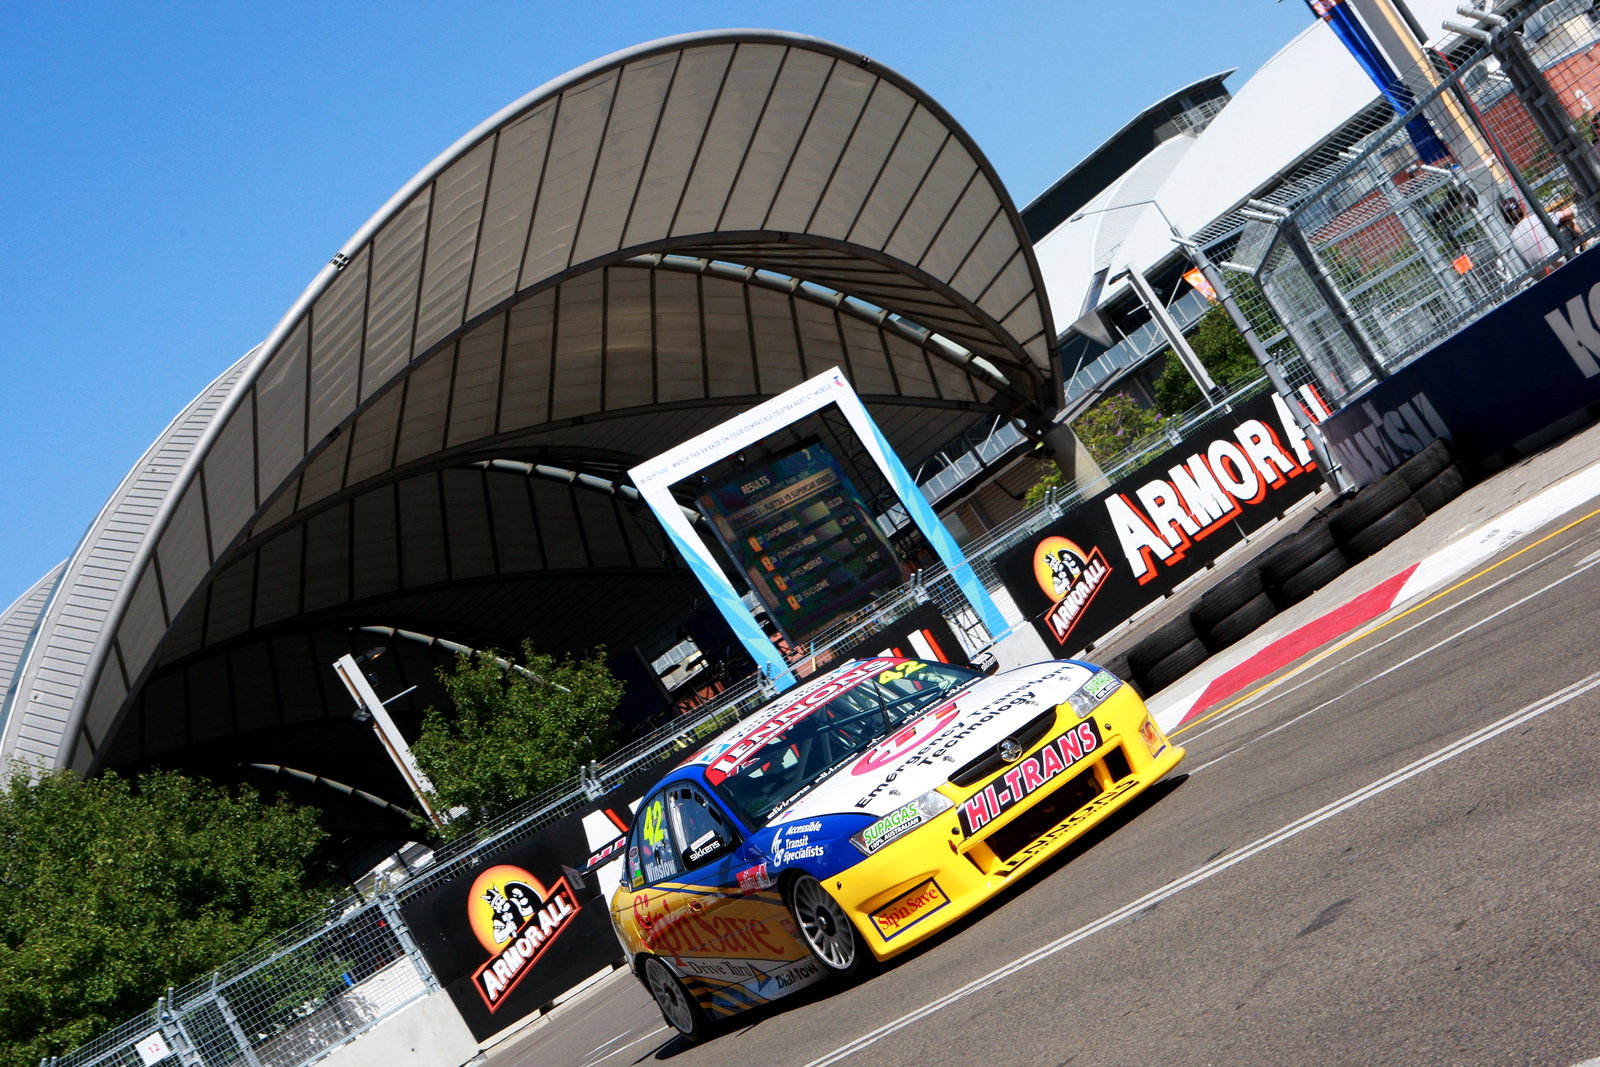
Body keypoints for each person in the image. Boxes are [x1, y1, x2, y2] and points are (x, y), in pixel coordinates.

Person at [1501, 197, 1573, 274]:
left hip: (1543, 277)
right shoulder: (1536, 219)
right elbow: (1569, 213)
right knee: (1568, 222)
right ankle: (1582, 246)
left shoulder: (1512, 239)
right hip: (1564, 265)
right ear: (1521, 205)